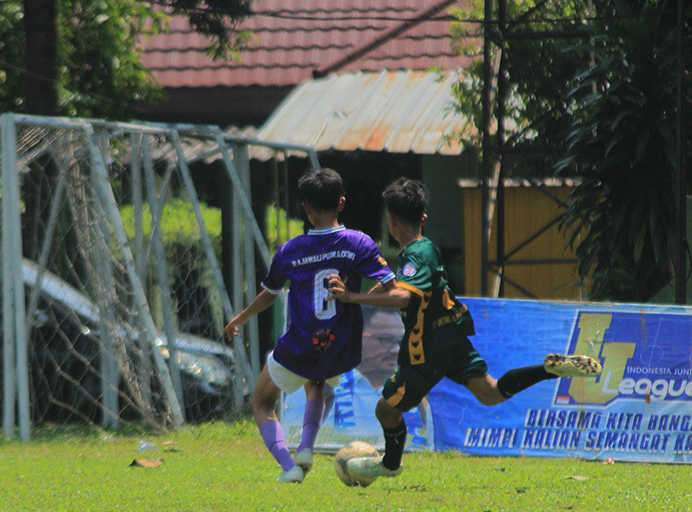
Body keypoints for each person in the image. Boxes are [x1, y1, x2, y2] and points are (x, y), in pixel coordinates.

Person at [326, 177, 601, 482]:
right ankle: (547, 370)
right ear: (423, 218)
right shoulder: (427, 248)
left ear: (391, 222)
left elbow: (404, 296)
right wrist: (384, 286)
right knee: (491, 393)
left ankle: (390, 465)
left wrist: (352, 297)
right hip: (452, 335)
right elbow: (410, 284)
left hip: (427, 347)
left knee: (386, 410)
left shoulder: (413, 255)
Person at [224, 168, 396, 483]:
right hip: (341, 345)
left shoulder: (291, 250)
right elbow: (389, 286)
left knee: (262, 402)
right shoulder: (359, 242)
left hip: (302, 342)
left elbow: (269, 295)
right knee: (315, 382)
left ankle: (288, 467)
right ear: (341, 203)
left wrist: (241, 317)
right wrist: (355, 298)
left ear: (306, 208)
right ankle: (305, 448)